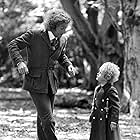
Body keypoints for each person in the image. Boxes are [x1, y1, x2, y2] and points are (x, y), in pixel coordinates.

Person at [8, 8, 77, 140]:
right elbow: (13, 45)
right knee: (48, 119)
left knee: (42, 119)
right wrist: (20, 62)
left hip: (51, 83)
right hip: (35, 81)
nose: (64, 31)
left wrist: (68, 65)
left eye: (65, 27)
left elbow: (61, 55)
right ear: (52, 26)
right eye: (62, 28)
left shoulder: (62, 40)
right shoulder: (34, 35)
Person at [89, 62, 121, 140]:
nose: (97, 74)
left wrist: (114, 121)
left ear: (107, 77)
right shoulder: (97, 88)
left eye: (100, 73)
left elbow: (115, 107)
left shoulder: (111, 90)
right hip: (97, 119)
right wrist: (91, 115)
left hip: (107, 120)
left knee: (107, 137)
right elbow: (94, 104)